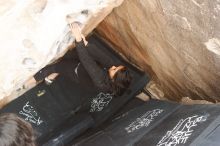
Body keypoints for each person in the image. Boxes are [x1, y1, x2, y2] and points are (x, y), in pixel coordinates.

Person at [25, 23, 132, 96]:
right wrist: (86, 44)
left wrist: (78, 38)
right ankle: (53, 76)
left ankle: (25, 84)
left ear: (113, 79)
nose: (113, 66)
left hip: (80, 73)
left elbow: (87, 61)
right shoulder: (115, 74)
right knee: (70, 56)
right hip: (89, 69)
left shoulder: (101, 81)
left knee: (54, 67)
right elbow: (103, 57)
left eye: (115, 70)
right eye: (117, 67)